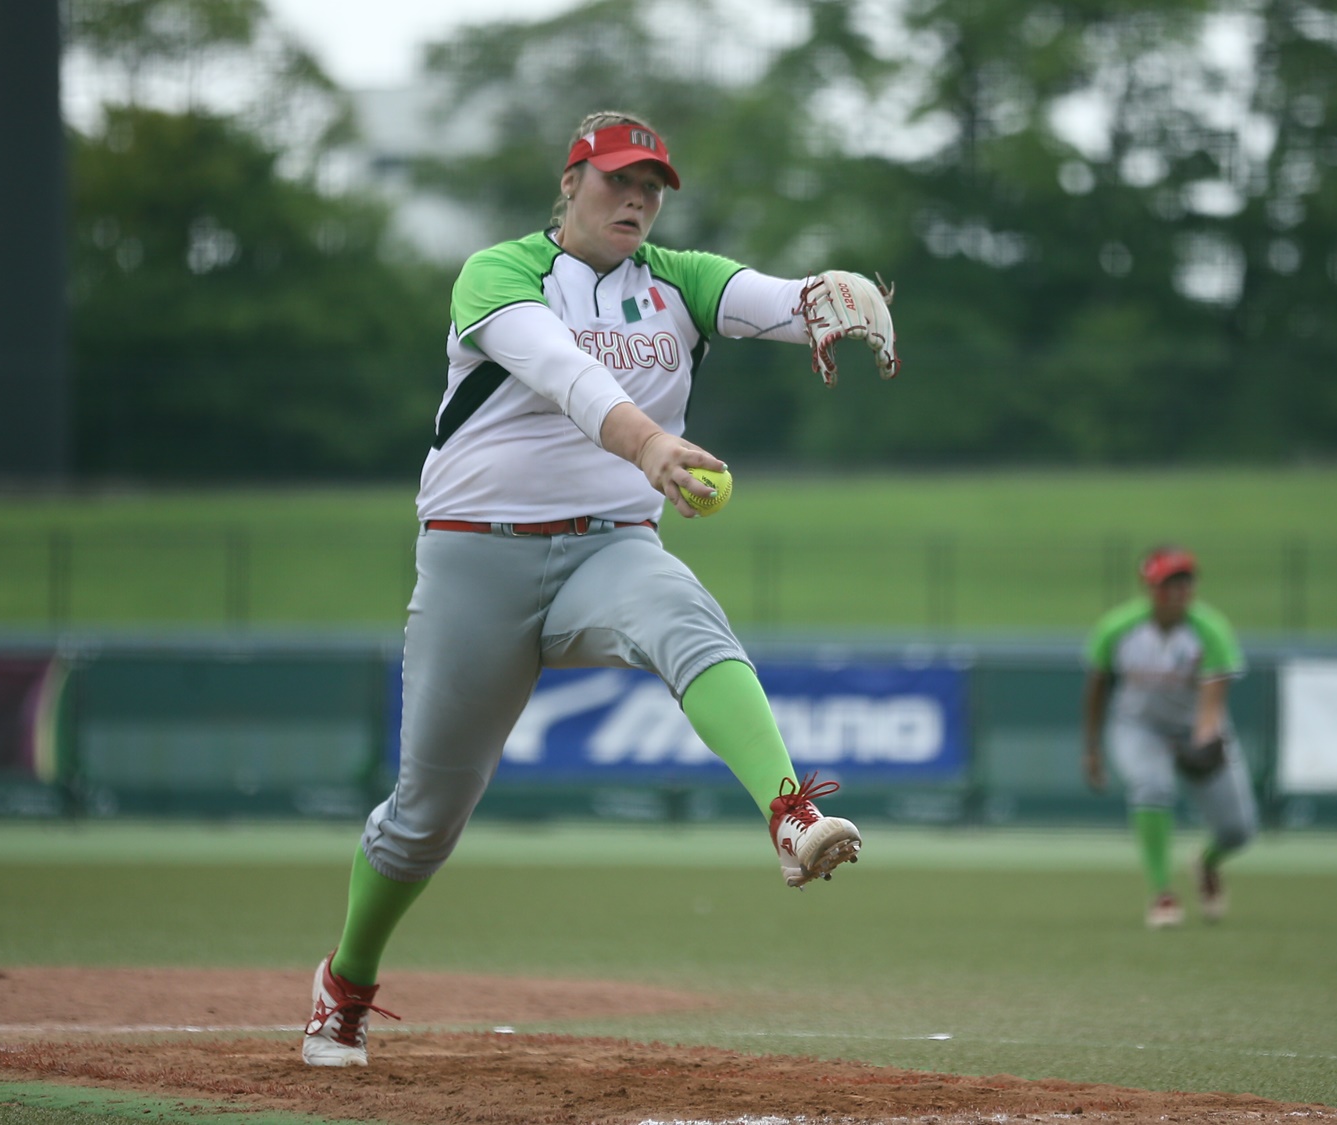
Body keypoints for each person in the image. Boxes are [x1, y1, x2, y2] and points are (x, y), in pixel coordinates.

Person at [300, 111, 901, 1067]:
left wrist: (837, 295)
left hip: (607, 549)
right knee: (423, 821)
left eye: (652, 185)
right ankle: (347, 983)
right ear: (570, 184)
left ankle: (790, 814)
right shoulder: (499, 273)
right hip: (476, 557)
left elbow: (778, 299)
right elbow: (566, 375)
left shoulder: (680, 280)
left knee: (686, 615)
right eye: (618, 179)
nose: (637, 199)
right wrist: (652, 442)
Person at [1080, 546, 1255, 929]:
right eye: (1169, 583)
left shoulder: (1209, 629)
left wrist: (1205, 739)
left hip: (1194, 727)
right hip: (1138, 727)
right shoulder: (1119, 629)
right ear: (1151, 588)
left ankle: (1206, 863)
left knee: (1238, 832)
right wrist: (1091, 749)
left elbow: (1213, 700)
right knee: (1151, 786)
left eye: (1185, 581)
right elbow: (1096, 689)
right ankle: (1162, 893)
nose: (1179, 590)